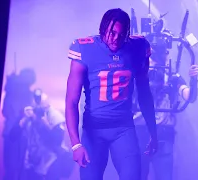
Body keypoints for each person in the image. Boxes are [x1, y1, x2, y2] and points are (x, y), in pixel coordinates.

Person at [65, 8, 158, 180]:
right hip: (93, 130)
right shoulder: (84, 49)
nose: (115, 39)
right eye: (112, 33)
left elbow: (145, 93)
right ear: (102, 29)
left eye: (121, 35)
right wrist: (76, 144)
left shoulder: (138, 47)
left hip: (124, 128)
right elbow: (71, 101)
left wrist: (153, 132)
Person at [133, 48, 198, 180]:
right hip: (141, 132)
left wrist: (193, 79)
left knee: (163, 174)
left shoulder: (172, 78)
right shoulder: (135, 76)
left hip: (161, 134)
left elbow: (190, 96)